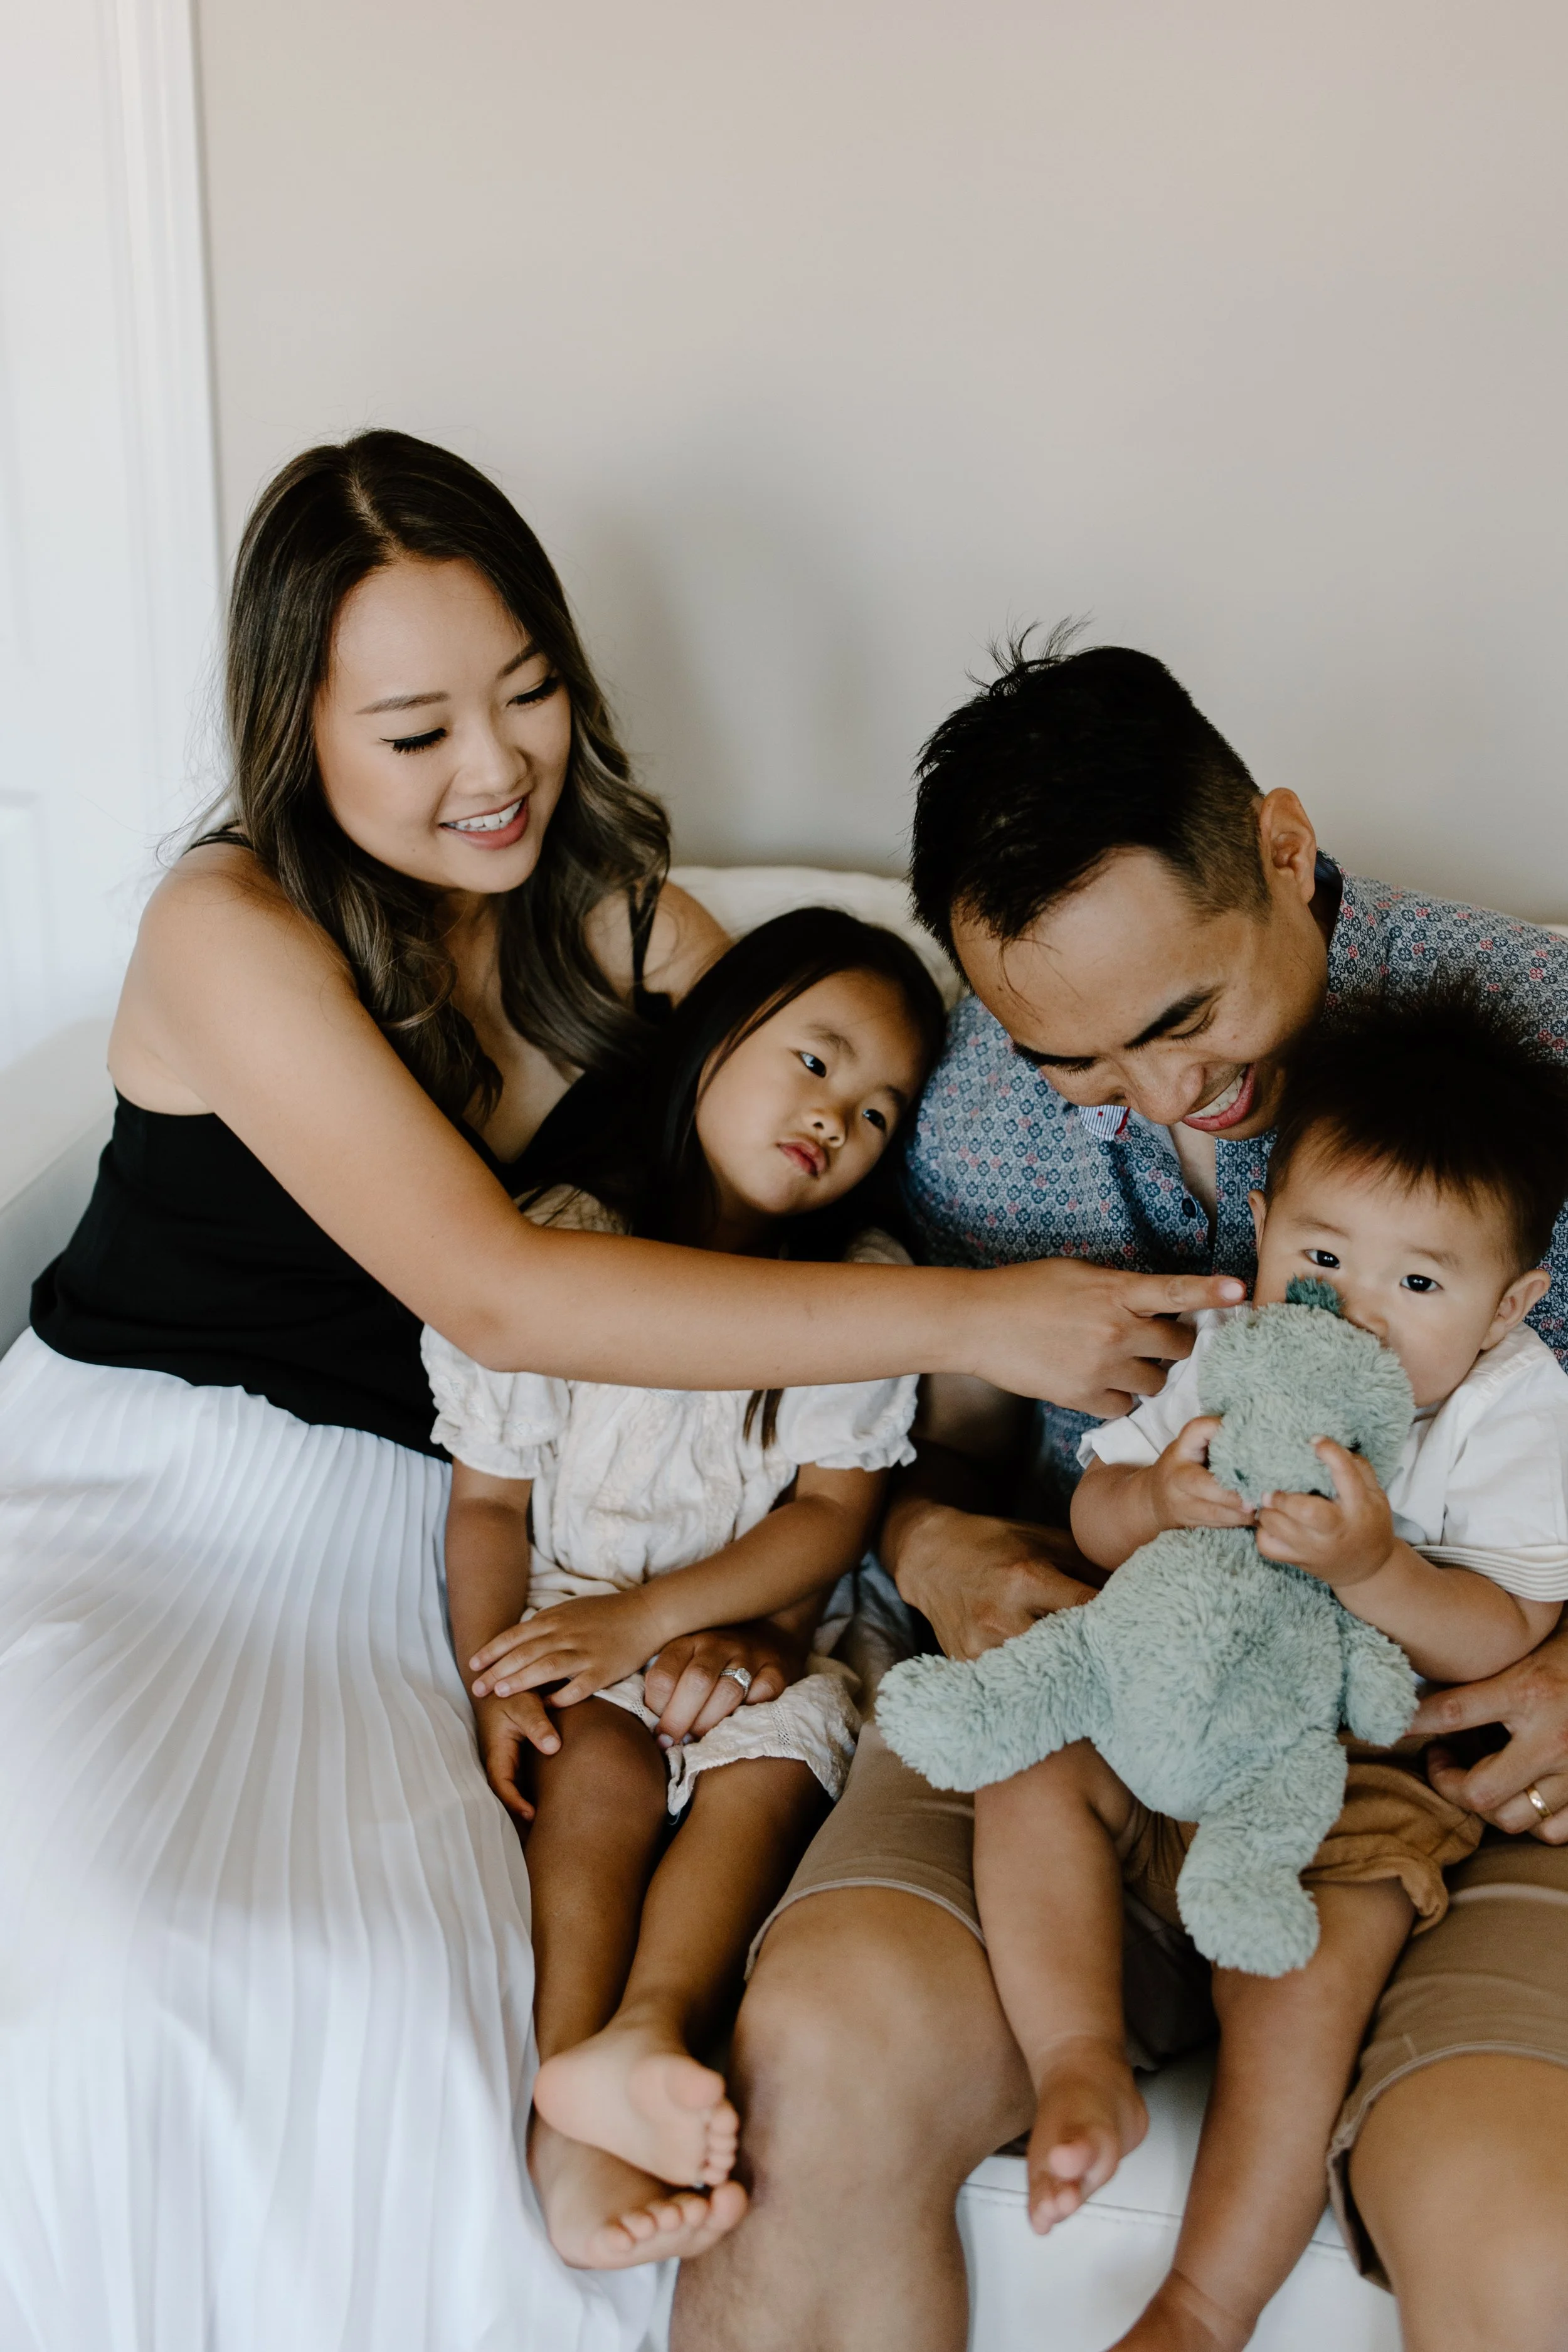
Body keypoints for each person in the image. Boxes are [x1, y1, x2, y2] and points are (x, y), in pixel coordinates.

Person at [0, 452, 1235, 2352]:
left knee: (408, 2006)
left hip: (427, 1532)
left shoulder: (626, 934)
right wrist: (994, 1319)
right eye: (411, 728)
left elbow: (864, 1119)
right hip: (157, 1486)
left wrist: (1135, 1134)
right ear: (294, 732)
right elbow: (496, 1287)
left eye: (525, 689)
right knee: (112, 1970)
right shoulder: (224, 928)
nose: (491, 768)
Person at [677, 633, 1568, 2352]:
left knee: (1520, 2224)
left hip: (1454, 1737)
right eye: (1078, 1061)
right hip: (1110, 1678)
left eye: (1184, 1016)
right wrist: (939, 1547)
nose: (1165, 1096)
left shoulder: (1532, 1052)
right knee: (827, 2057)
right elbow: (924, 1449)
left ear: (1285, 854)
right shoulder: (961, 1106)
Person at [978, 988, 1568, 2351]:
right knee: (1027, 1761)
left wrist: (1373, 1569)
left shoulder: (1512, 1409)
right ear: (1258, 1232)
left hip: (1346, 1767)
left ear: (1503, 1307)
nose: (1353, 1315)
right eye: (1321, 1261)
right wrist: (1154, 1508)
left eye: (1417, 1284)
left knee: (1309, 1969)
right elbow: (1093, 1511)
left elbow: (1503, 1636)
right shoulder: (1229, 1352)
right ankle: (1076, 2060)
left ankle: (1199, 2302)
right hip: (1159, 1702)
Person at [430, 908, 943, 2270]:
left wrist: (691, 1627)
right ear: (713, 1037)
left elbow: (835, 1514)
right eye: (817, 1063)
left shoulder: (862, 1294)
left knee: (764, 1771)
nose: (839, 1121)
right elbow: (484, 1503)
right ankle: (572, 2097)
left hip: (755, 1635)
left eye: (880, 1113)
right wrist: (504, 1669)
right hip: (579, 1604)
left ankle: (653, 2022)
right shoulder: (560, 1244)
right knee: (589, 1774)